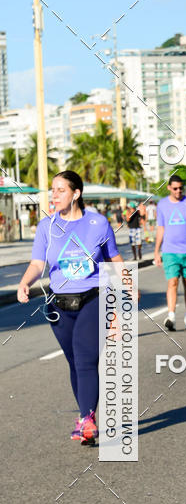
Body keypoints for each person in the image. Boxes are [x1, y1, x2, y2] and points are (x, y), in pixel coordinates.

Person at [17, 170, 123, 444]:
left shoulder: (98, 224)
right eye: (52, 190)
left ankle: (87, 419)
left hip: (94, 298)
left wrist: (124, 298)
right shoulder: (46, 227)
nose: (54, 195)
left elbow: (114, 259)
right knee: (74, 363)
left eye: (60, 190)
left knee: (87, 360)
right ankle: (86, 418)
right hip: (59, 305)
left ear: (76, 194)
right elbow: (38, 264)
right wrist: (25, 283)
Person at [154, 175, 186, 331]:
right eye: (175, 188)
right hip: (170, 251)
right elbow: (161, 228)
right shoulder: (162, 205)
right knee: (172, 282)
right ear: (169, 187)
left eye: (181, 188)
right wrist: (156, 251)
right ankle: (171, 316)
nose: (178, 191)